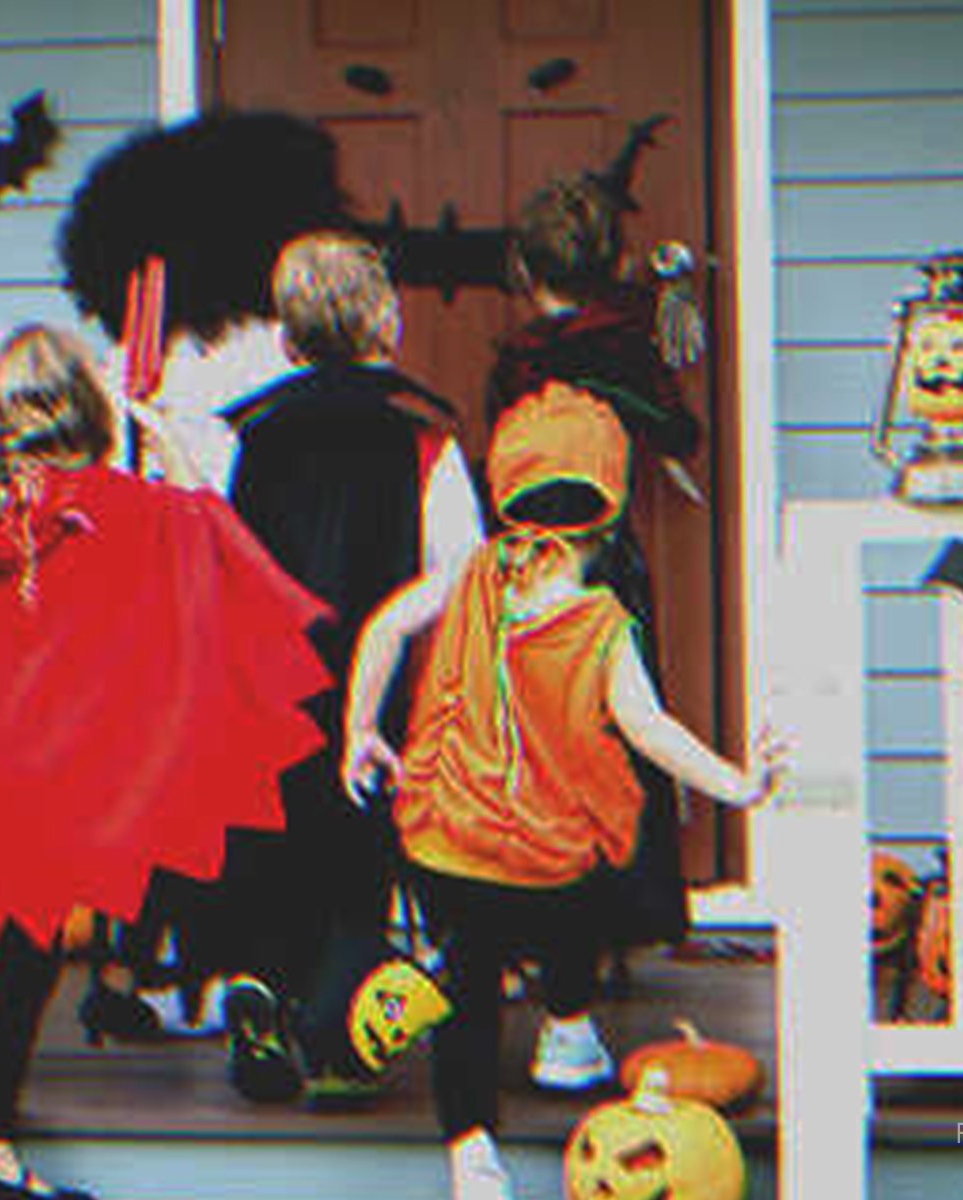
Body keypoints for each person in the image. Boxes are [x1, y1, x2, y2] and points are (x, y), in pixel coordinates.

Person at [0, 325, 329, 1200]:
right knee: (56, 942)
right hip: (85, 790)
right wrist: (172, 446)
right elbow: (221, 548)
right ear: (86, 415)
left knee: (25, 964)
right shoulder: (131, 508)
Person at [341, 383, 781, 1200]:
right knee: (598, 866)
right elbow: (650, 732)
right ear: (608, 514)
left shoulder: (471, 573)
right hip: (544, 847)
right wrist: (738, 784)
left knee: (468, 988)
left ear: (505, 490)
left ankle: (471, 1152)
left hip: (452, 834)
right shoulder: (601, 624)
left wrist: (362, 730)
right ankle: (567, 1027)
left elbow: (386, 629)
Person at [190, 230, 484, 1103]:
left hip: (264, 680)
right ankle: (334, 1015)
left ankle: (257, 982)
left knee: (270, 844)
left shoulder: (242, 436)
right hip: (378, 683)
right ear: (385, 322)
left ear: (285, 336)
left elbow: (212, 554)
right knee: (360, 854)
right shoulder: (424, 443)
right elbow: (458, 572)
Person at [488, 173, 708, 1064]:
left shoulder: (519, 356)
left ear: (521, 268)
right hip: (605, 559)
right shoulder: (621, 343)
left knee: (541, 740)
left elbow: (503, 449)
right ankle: (617, 916)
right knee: (618, 732)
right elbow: (679, 431)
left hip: (526, 564)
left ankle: (533, 931)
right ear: (614, 262)